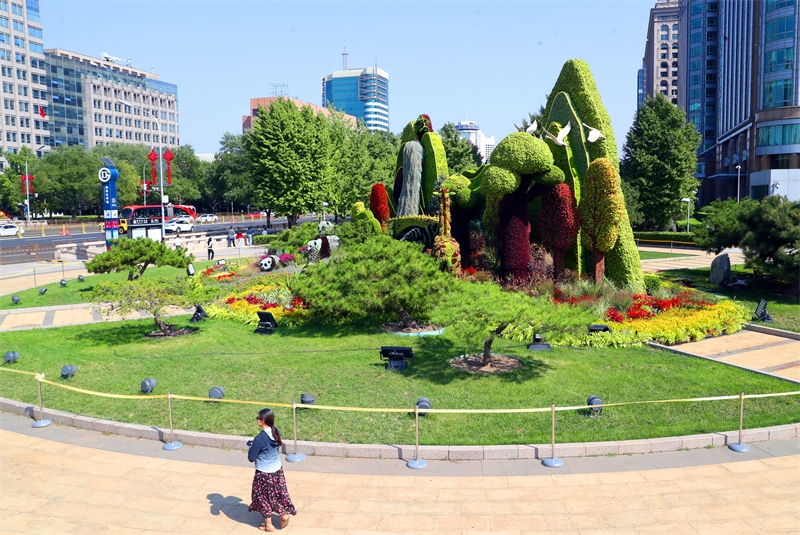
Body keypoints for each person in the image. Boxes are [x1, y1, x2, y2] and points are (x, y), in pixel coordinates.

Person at [247, 408, 296, 532]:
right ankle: (283, 515)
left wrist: (252, 446)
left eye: (258, 418)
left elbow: (251, 458)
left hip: (264, 474)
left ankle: (269, 525)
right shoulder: (276, 431)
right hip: (277, 471)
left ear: (262, 421)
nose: (257, 420)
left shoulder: (259, 439)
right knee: (277, 495)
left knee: (262, 497)